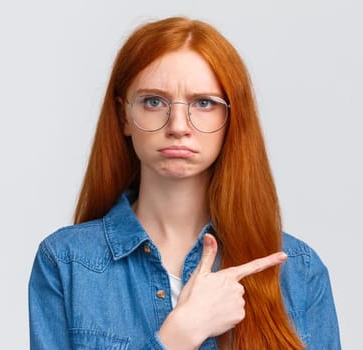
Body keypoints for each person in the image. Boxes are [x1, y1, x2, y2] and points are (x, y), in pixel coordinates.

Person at [28, 16, 340, 349]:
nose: (178, 125)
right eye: (153, 101)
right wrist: (181, 334)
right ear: (124, 117)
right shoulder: (67, 261)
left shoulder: (298, 271)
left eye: (203, 103)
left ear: (230, 120)